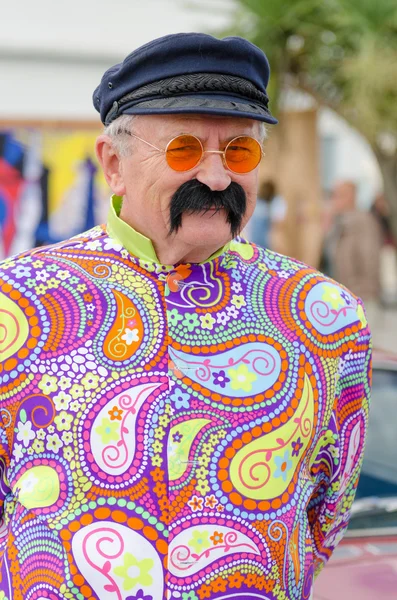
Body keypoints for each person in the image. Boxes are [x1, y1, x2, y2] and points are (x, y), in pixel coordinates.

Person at [0, 33, 371, 600]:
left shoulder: (326, 315)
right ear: (114, 164)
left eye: (240, 153)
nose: (218, 179)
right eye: (184, 151)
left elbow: (326, 515)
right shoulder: (18, 303)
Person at [249, 179, 287, 250]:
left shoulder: (276, 202)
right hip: (258, 239)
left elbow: (277, 224)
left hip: (264, 240)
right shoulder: (257, 201)